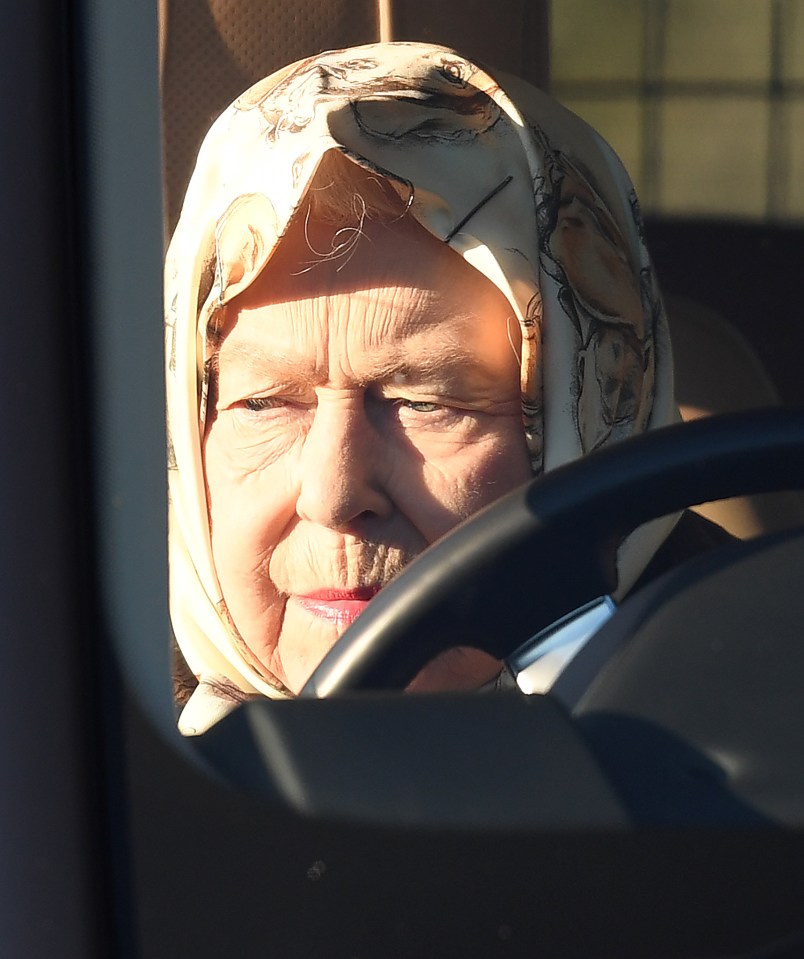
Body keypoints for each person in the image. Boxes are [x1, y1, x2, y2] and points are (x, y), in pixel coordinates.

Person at [165, 42, 715, 735]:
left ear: (598, 419)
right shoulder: (72, 736)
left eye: (424, 401)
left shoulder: (750, 743)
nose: (333, 495)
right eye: (266, 402)